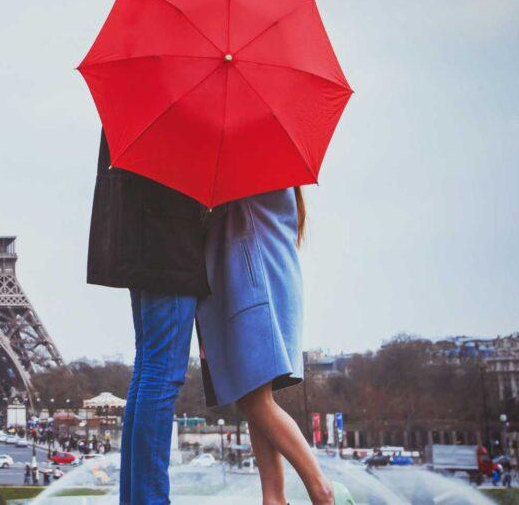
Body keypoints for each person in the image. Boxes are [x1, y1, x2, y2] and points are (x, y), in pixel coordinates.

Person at [197, 188, 353, 505]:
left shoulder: (249, 176)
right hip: (265, 285)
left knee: (254, 401)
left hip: (253, 290)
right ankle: (274, 498)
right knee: (255, 396)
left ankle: (321, 490)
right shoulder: (277, 178)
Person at [87, 132, 209, 504]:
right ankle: (149, 499)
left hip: (144, 238)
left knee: (150, 371)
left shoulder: (142, 93)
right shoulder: (180, 95)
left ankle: (140, 497)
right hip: (168, 242)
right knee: (162, 375)